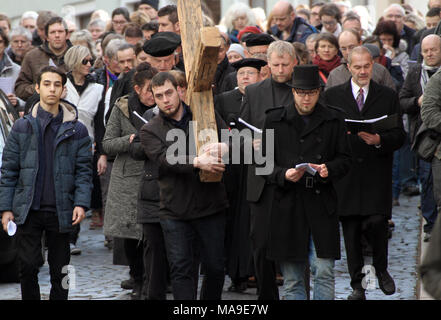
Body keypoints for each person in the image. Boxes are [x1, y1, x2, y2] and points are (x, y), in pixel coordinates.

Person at [0, 66, 93, 300]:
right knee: (28, 266)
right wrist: (6, 208)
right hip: (28, 208)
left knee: (61, 269)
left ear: (63, 90)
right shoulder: (22, 127)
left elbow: (84, 171)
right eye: (48, 84)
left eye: (57, 85)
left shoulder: (77, 129)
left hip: (62, 208)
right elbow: (9, 170)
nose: (52, 89)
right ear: (38, 88)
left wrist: (81, 203)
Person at [261, 64, 351, 300]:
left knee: (323, 271)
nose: (306, 98)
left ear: (318, 92)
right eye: (301, 92)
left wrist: (328, 169)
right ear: (293, 92)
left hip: (321, 203)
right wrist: (283, 175)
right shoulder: (275, 120)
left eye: (310, 92)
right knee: (292, 279)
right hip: (288, 205)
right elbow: (263, 165)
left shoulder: (334, 119)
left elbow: (346, 159)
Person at [324, 46, 406, 300]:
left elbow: (400, 136)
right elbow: (325, 134)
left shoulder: (387, 95)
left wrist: (379, 138)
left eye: (366, 66)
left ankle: (381, 269)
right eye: (357, 66)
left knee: (377, 222)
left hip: (375, 171)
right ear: (348, 67)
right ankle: (357, 285)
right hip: (346, 174)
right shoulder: (333, 96)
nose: (362, 71)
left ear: (373, 66)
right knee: (350, 230)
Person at [139, 71, 229, 300]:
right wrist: (197, 161)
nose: (166, 99)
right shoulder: (150, 130)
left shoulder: (204, 115)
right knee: (182, 269)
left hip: (211, 206)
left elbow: (230, 139)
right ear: (154, 99)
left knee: (216, 267)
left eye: (169, 93)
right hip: (174, 211)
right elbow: (165, 158)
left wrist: (225, 148)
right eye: (159, 96)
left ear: (179, 91)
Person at [239, 40, 297, 300]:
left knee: (293, 244)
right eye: (276, 65)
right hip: (261, 176)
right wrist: (249, 142)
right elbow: (239, 131)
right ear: (268, 65)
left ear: (294, 63)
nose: (281, 69)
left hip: (293, 175)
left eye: (285, 64)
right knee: (260, 243)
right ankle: (266, 296)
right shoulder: (254, 92)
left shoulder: (304, 90)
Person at [215, 58, 266, 293]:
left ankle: (258, 271)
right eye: (241, 73)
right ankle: (236, 272)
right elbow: (219, 131)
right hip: (234, 169)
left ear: (260, 76)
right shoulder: (225, 100)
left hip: (259, 167)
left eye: (250, 73)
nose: (245, 77)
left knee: (255, 221)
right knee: (234, 222)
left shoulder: (265, 98)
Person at [102, 60, 146, 299]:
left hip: (155, 177)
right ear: (137, 89)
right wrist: (130, 139)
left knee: (153, 235)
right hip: (127, 179)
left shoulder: (163, 107)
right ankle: (138, 278)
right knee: (130, 234)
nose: (153, 94)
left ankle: (154, 279)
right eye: (148, 89)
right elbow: (107, 144)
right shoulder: (122, 108)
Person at [127, 63, 166, 300]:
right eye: (155, 93)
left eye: (163, 93)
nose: (158, 98)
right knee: (153, 254)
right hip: (151, 193)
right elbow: (135, 149)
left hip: (180, 195)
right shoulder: (147, 118)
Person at [64, 45, 105, 253]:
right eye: (85, 61)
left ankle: (73, 236)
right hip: (61, 146)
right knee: (64, 190)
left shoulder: (97, 89)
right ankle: (63, 234)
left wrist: (102, 153)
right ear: (74, 63)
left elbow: (100, 125)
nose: (89, 65)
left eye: (91, 61)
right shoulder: (62, 85)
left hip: (86, 147)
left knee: (81, 189)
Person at [399, 34, 441, 242]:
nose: (430, 54)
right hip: (424, 136)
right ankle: (431, 224)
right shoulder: (415, 72)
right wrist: (417, 101)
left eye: (434, 49)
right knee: (427, 179)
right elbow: (402, 101)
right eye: (426, 51)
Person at [15, 16, 72, 101]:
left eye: (60, 31)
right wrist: (41, 88)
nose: (57, 35)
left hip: (72, 108)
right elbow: (20, 88)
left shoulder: (76, 54)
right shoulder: (32, 56)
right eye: (53, 32)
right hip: (41, 108)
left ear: (67, 34)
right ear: (47, 37)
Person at [326, 29, 396, 90]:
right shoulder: (335, 75)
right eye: (343, 48)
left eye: (351, 47)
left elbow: (391, 98)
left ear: (360, 43)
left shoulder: (380, 71)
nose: (348, 52)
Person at [0, 29, 22, 110]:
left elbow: (26, 99)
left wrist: (16, 101)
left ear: (5, 44)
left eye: (0, 42)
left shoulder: (17, 70)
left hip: (9, 117)